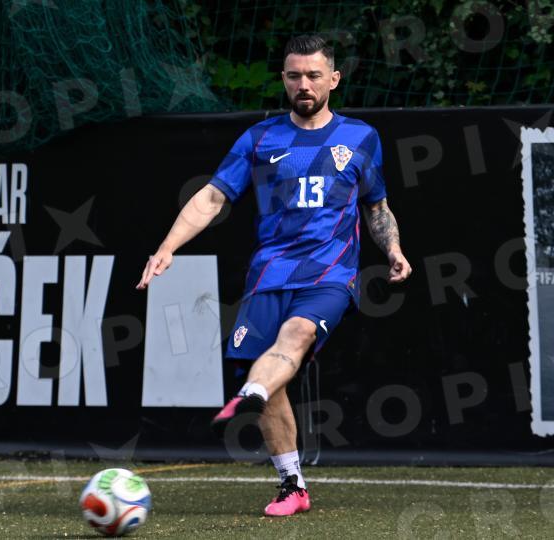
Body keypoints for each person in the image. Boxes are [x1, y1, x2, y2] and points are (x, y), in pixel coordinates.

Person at [137, 34, 411, 517]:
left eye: (313, 75)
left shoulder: (360, 137)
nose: (304, 85)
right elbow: (212, 197)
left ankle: (255, 389)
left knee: (297, 333)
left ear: (333, 79)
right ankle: (292, 484)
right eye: (294, 76)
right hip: (269, 276)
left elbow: (376, 206)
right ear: (283, 79)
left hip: (330, 273)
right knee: (269, 376)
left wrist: (393, 248)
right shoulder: (260, 139)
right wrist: (166, 248)